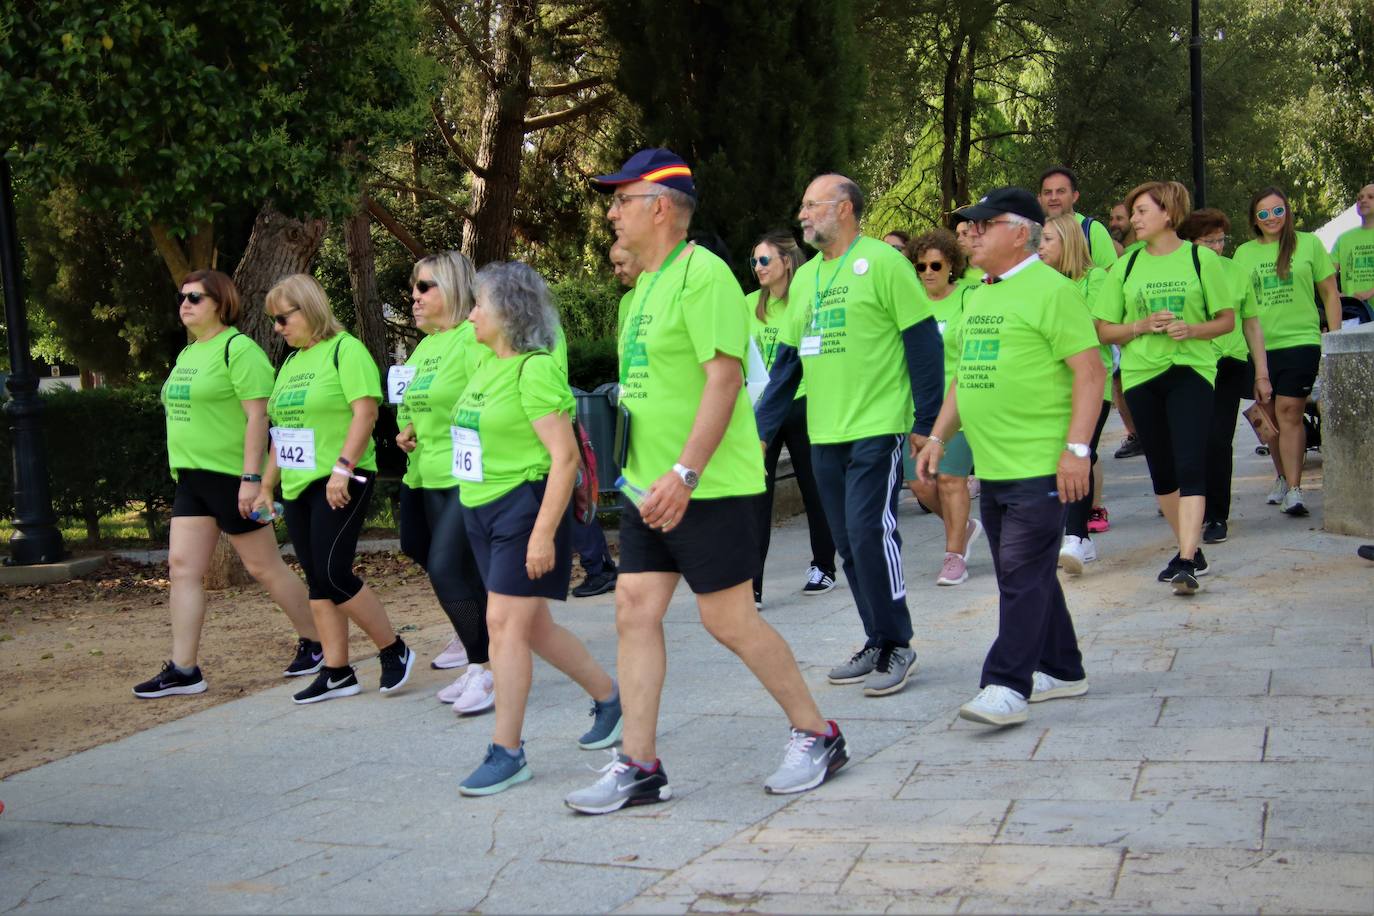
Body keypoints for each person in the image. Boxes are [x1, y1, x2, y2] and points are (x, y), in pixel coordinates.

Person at [565, 149, 846, 814]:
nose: (610, 212)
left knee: (728, 620)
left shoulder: (706, 276)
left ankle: (818, 734)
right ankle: (639, 764)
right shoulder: (638, 294)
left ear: (658, 207)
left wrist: (686, 472)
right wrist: (635, 477)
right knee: (633, 610)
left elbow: (725, 380)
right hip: (648, 490)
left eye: (620, 200)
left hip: (708, 486)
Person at [914, 187, 1102, 727]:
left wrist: (1077, 451)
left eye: (983, 224)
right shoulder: (978, 294)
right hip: (992, 466)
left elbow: (1091, 373)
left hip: (1040, 464)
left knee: (1019, 574)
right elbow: (962, 379)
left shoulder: (1052, 291)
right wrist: (939, 438)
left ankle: (1005, 683)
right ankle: (1063, 669)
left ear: (1020, 232)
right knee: (1027, 573)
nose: (969, 232)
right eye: (968, 224)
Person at [755, 173, 944, 697]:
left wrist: (926, 424)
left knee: (869, 532)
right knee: (846, 544)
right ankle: (876, 640)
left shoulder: (884, 264)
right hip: (825, 431)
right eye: (803, 206)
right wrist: (758, 433)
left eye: (812, 205)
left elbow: (923, 345)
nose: (803, 214)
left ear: (844, 209)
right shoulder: (809, 278)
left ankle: (898, 642)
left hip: (877, 425)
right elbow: (787, 366)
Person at [452, 262, 622, 797]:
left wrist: (544, 534)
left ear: (507, 312)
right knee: (534, 628)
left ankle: (508, 751)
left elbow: (565, 458)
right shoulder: (484, 363)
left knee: (502, 624)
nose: (472, 312)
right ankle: (610, 699)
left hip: (523, 509)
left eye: (479, 304)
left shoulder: (536, 369)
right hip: (479, 506)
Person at [134, 270, 320, 698]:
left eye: (196, 297)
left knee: (262, 567)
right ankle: (184, 669)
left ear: (221, 302)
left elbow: (259, 416)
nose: (185, 304)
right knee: (182, 570)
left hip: (232, 477)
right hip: (192, 478)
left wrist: (252, 479)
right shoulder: (188, 354)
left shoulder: (239, 349)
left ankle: (317, 641)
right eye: (182, 297)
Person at [254, 274, 414, 703]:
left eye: (283, 318)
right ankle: (337, 670)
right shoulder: (290, 363)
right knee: (317, 580)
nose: (278, 328)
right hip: (299, 483)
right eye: (274, 320)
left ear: (309, 309)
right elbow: (281, 432)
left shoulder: (347, 350)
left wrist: (342, 469)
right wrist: (267, 484)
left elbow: (365, 415)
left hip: (343, 477)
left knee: (332, 572)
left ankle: (393, 648)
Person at [1092, 182, 1235, 594]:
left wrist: (1191, 329)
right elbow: (1102, 330)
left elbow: (1226, 320)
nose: (1133, 219)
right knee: (1163, 472)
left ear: (1168, 214)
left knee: (1191, 463)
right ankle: (1187, 547)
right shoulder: (1127, 267)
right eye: (1133, 212)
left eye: (1141, 211)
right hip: (1140, 377)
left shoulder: (1199, 260)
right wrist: (1138, 326)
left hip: (1191, 370)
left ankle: (1187, 559)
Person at [393, 251, 494, 713]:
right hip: (425, 473)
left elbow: (489, 398)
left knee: (446, 567)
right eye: (414, 288)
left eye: (425, 287)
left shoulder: (473, 339)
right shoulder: (425, 346)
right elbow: (413, 402)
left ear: (452, 289)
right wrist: (406, 428)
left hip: (464, 474)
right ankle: (488, 635)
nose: (414, 297)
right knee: (418, 546)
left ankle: (483, 667)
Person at [1231, 186, 1342, 517]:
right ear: (1254, 219)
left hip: (1300, 342)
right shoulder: (1243, 253)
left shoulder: (1309, 244)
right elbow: (1236, 304)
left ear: (1288, 211)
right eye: (1263, 213)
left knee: (1290, 411)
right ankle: (1280, 475)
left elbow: (1330, 294)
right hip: (1258, 347)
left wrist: (1334, 341)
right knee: (1267, 417)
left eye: (1277, 211)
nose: (1271, 218)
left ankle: (1295, 488)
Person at [747, 229, 837, 605]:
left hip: (802, 403)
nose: (757, 267)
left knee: (814, 488)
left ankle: (824, 566)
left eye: (764, 259)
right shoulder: (748, 303)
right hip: (762, 408)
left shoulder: (806, 296)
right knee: (755, 494)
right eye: (753, 261)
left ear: (786, 261)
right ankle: (751, 583)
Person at [1177, 209, 1271, 544]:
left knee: (1218, 441)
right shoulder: (1180, 271)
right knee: (1189, 441)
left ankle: (1217, 514)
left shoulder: (1235, 271)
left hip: (1229, 364)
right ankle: (1190, 503)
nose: (1217, 247)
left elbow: (1251, 323)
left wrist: (1261, 373)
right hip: (1187, 365)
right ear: (1190, 242)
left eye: (1220, 240)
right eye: (1208, 240)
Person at [904, 228, 982, 586]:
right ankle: (963, 526)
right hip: (918, 409)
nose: (928, 272)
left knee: (951, 479)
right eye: (920, 266)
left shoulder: (969, 297)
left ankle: (954, 555)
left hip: (960, 404)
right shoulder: (908, 303)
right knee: (920, 484)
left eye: (935, 264)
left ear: (951, 264)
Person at [1038, 214, 1114, 574]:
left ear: (1068, 242)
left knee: (1080, 451)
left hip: (1091, 382)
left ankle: (1076, 537)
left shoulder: (1095, 278)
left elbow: (1096, 328)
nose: (1041, 247)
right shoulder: (1040, 285)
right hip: (1053, 385)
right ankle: (1075, 534)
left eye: (1049, 240)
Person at [1037, 167, 1118, 269]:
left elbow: (1111, 279)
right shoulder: (1033, 233)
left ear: (1074, 196)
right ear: (1040, 199)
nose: (1053, 198)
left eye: (1061, 191)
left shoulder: (1092, 230)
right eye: (1047, 192)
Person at [1332, 184, 1374, 307]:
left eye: (1371, 197)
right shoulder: (1343, 239)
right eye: (1359, 198)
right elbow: (1328, 274)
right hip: (1355, 314)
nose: (1363, 200)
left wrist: (1367, 293)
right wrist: (1335, 294)